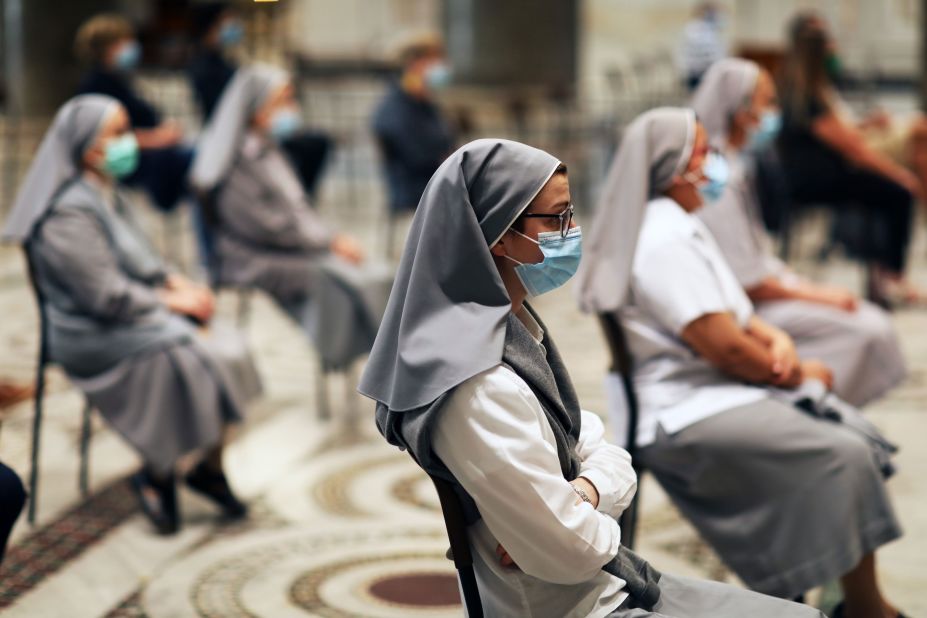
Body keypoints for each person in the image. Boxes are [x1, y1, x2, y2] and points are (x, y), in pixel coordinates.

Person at [358, 138, 824, 617]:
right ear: (498, 235)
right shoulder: (480, 383)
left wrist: (584, 492)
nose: (574, 231)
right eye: (558, 218)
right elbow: (572, 552)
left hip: (602, 587)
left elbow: (600, 448)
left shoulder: (511, 330)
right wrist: (579, 511)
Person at [576, 107, 907, 618]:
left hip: (712, 387)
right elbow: (725, 346)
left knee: (852, 434)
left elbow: (739, 315)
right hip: (684, 409)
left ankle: (855, 599)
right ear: (674, 166)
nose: (714, 166)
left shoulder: (677, 219)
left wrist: (777, 340)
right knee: (845, 453)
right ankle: (859, 606)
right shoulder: (660, 237)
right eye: (703, 155)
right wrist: (795, 372)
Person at [2, 95, 262, 535]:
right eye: (119, 133)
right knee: (192, 358)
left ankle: (208, 466)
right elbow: (102, 295)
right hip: (91, 331)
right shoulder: (65, 211)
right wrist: (167, 304)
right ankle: (158, 471)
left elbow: (142, 260)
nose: (131, 142)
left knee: (229, 347)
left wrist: (176, 283)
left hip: (130, 313)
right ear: (87, 146)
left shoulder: (104, 192)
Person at [692, 58, 906, 408]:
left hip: (754, 294)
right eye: (767, 102)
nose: (773, 112)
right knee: (866, 329)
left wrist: (804, 286)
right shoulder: (717, 180)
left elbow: (755, 258)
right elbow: (746, 280)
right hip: (742, 305)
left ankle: (821, 404)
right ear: (741, 109)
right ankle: (812, 406)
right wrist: (818, 295)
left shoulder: (737, 165)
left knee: (871, 323)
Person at [190, 64, 391, 372]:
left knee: (376, 274)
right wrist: (327, 243)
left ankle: (375, 357)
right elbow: (263, 226)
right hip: (251, 256)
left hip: (290, 246)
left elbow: (299, 210)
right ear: (256, 108)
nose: (291, 108)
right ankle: (342, 359)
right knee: (336, 278)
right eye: (283, 100)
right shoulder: (232, 160)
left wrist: (330, 239)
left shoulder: (269, 148)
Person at [778, 11, 925, 306]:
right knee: (899, 193)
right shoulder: (808, 95)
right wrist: (897, 174)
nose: (836, 51)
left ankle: (885, 273)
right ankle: (892, 276)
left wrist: (868, 126)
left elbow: (843, 138)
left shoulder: (806, 88)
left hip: (824, 173)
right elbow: (854, 151)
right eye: (830, 45)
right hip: (819, 181)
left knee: (908, 159)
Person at [187, 2, 332, 197]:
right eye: (226, 21)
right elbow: (226, 110)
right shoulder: (204, 67)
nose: (233, 25)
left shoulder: (224, 61)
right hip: (234, 137)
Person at [75, 14, 194, 215]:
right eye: (125, 42)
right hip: (136, 164)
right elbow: (105, 139)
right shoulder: (96, 86)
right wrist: (158, 138)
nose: (132, 47)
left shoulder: (120, 81)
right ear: (108, 47)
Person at [371, 33, 454, 222]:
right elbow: (418, 156)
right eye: (435, 61)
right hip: (415, 190)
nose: (441, 67)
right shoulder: (394, 107)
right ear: (415, 64)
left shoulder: (425, 104)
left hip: (437, 182)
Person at [678, 3, 727, 91]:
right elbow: (704, 53)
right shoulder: (694, 29)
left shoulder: (712, 30)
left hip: (709, 72)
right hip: (697, 73)